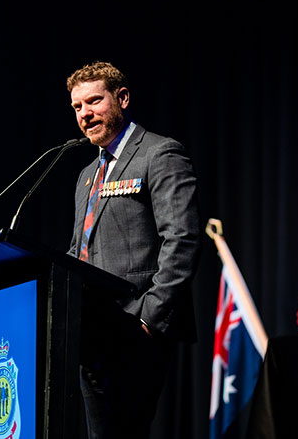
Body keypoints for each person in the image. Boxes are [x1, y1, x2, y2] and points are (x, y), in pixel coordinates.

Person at [66, 61, 201, 438]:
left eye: (94, 101)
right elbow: (79, 251)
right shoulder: (86, 176)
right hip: (90, 332)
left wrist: (148, 320)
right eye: (77, 107)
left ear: (121, 98)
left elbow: (183, 239)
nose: (85, 114)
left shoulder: (159, 153)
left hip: (134, 329)